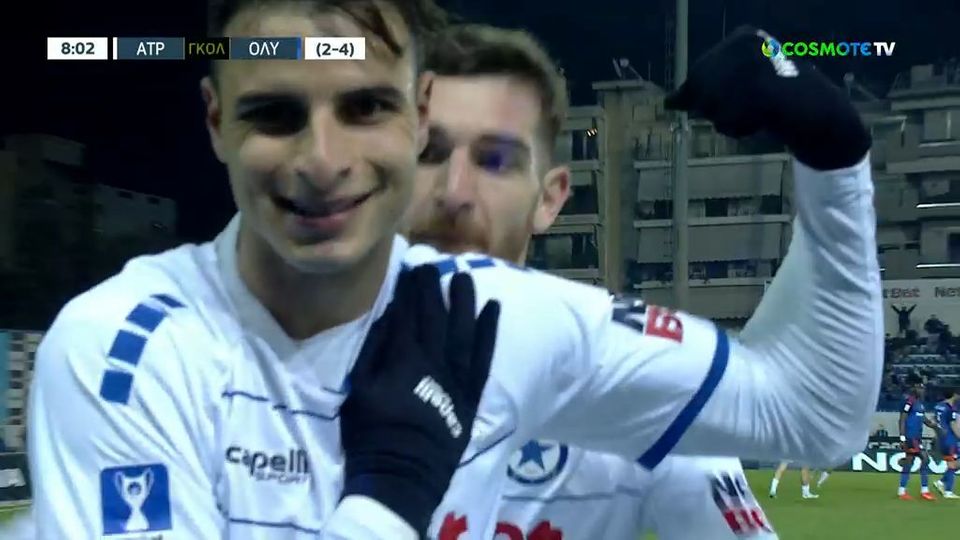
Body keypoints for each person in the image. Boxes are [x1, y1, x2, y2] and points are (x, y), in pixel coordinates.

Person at [27, 0, 881, 536]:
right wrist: (390, 497)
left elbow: (814, 412)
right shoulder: (122, 349)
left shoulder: (507, 315)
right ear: (215, 122)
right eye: (275, 114)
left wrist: (835, 158)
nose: (322, 161)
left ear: (417, 111)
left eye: (365, 107)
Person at [406, 24, 777, 539]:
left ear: (549, 199)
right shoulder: (296, 361)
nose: (453, 192)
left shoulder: (643, 383)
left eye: (494, 161)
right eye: (427, 153)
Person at [898, 374, 940, 500]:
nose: (923, 390)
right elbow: (902, 419)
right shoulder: (909, 401)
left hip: (917, 437)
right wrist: (902, 438)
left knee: (910, 461)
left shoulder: (920, 404)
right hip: (911, 437)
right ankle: (924, 490)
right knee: (925, 459)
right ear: (915, 388)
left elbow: (924, 420)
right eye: (920, 388)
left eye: (923, 388)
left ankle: (902, 491)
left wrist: (935, 426)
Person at [933, 388, 960, 498]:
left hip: (942, 438)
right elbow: (953, 425)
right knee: (952, 464)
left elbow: (934, 421)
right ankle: (948, 491)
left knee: (955, 463)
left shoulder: (938, 406)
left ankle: (941, 482)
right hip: (950, 439)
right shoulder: (951, 408)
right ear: (954, 395)